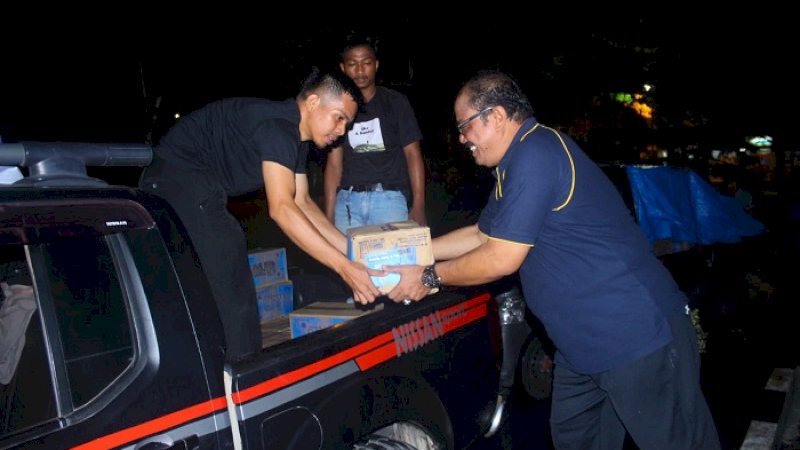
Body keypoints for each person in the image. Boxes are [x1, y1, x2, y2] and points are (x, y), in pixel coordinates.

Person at [385, 71, 721, 449]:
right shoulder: (511, 165)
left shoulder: (537, 152)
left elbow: (501, 257)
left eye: (465, 126)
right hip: (581, 350)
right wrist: (417, 250)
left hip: (636, 335)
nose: (462, 138)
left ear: (494, 116)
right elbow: (483, 234)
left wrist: (429, 278)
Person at [139, 70, 383, 362]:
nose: (342, 131)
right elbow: (281, 209)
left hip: (190, 186)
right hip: (173, 179)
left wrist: (354, 254)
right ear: (313, 102)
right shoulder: (279, 127)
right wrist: (344, 268)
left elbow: (302, 202)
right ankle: (243, 369)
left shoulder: (296, 139)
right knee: (228, 253)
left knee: (216, 262)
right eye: (339, 117)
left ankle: (213, 356)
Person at [323, 35, 426, 233]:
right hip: (347, 203)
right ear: (343, 68)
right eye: (352, 64)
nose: (360, 70)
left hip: (389, 199)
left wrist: (419, 205)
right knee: (348, 263)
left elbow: (413, 155)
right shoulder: (337, 109)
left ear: (376, 65)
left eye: (366, 63)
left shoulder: (396, 103)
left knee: (392, 263)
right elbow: (334, 165)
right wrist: (329, 216)